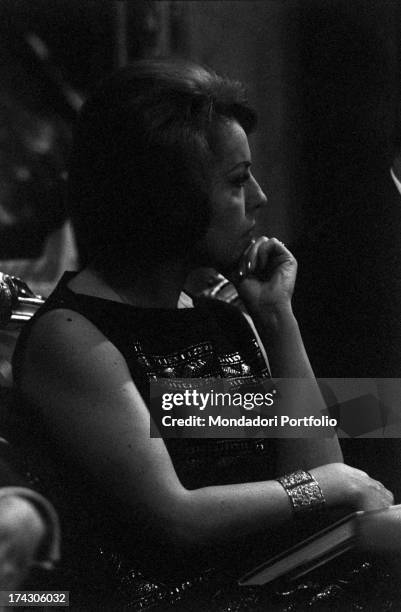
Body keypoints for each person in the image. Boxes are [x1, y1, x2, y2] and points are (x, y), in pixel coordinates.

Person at [11, 60, 395, 609]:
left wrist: (277, 320)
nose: (260, 197)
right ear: (167, 197)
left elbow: (311, 468)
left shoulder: (216, 314)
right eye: (238, 180)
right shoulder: (72, 337)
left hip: (270, 581)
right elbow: (177, 517)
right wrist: (329, 484)